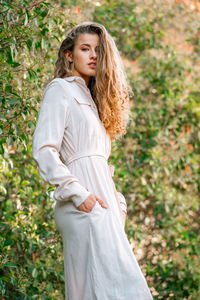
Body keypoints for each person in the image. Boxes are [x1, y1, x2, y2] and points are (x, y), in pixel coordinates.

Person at [32, 21, 153, 300]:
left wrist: (118, 202)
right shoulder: (60, 89)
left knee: (117, 289)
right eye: (85, 49)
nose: (93, 55)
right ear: (69, 55)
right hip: (81, 206)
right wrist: (79, 194)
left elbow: (99, 164)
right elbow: (44, 150)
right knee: (108, 290)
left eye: (98, 50)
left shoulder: (94, 101)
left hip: (104, 208)